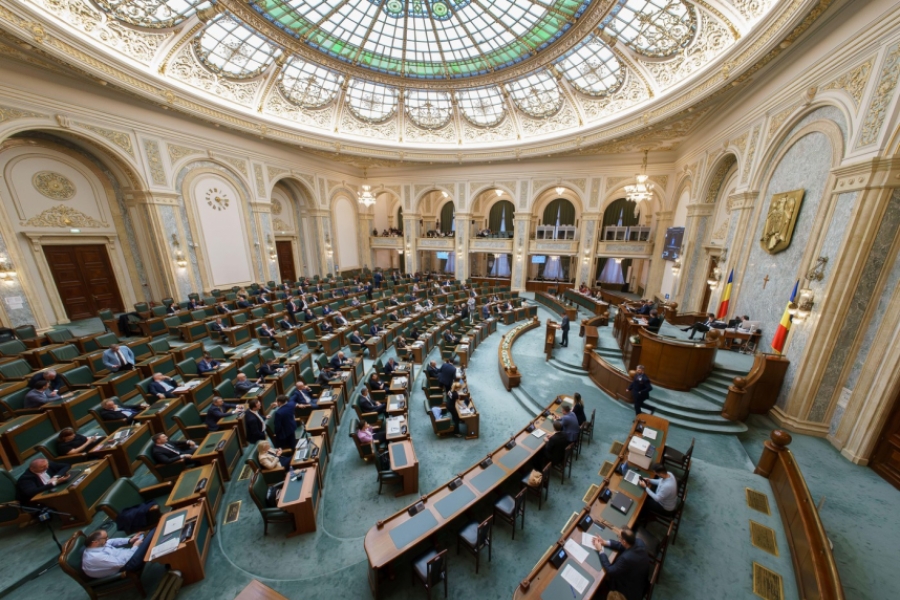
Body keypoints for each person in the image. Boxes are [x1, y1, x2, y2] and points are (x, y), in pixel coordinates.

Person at [590, 528, 649, 600]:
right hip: (640, 581)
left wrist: (600, 550)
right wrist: (605, 542)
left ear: (624, 541)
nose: (618, 540)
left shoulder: (625, 558)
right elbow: (623, 545)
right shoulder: (639, 542)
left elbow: (610, 570)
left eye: (619, 537)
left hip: (628, 592)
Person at [82, 529, 158, 579]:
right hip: (128, 564)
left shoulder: (97, 545)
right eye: (105, 538)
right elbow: (121, 563)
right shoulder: (95, 557)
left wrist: (130, 540)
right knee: (153, 533)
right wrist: (135, 546)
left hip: (128, 554)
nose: (108, 539)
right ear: (95, 542)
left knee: (148, 536)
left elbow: (112, 541)